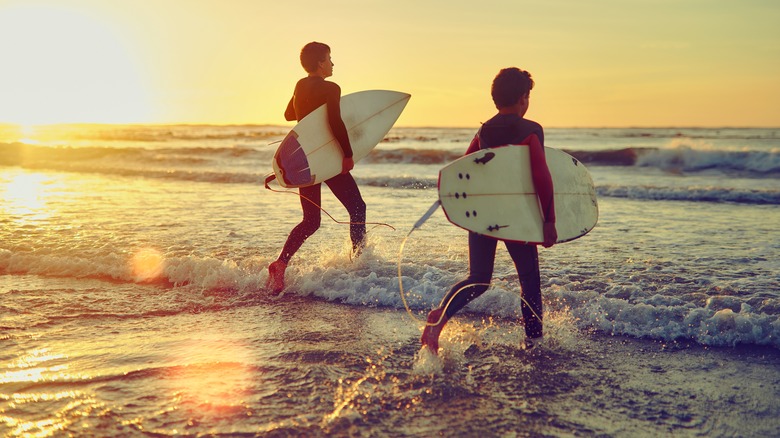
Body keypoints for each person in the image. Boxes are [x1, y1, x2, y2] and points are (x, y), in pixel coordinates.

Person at [420, 67, 558, 354]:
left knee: (479, 278)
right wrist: (549, 220)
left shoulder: (484, 131)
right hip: (515, 217)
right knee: (529, 281)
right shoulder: (531, 129)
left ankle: (440, 319)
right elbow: (541, 176)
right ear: (523, 98)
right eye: (528, 96)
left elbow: (464, 166)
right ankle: (534, 343)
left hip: (484, 215)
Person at [267, 42, 366, 293]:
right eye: (330, 59)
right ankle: (360, 264)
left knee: (311, 221)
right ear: (321, 63)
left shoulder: (300, 85)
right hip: (326, 158)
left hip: (304, 160)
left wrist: (307, 105)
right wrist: (347, 154)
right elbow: (335, 121)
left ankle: (281, 263)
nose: (333, 63)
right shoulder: (331, 87)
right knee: (357, 207)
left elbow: (290, 114)